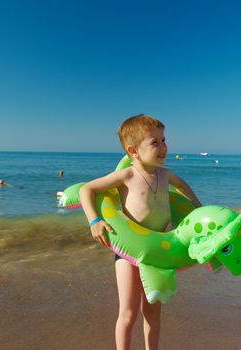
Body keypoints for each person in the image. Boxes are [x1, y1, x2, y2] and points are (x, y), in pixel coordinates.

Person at [79, 114, 202, 350]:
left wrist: (198, 207)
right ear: (133, 151)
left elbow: (182, 184)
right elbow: (88, 189)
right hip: (128, 254)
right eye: (154, 142)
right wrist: (94, 220)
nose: (163, 146)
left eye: (164, 139)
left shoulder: (165, 176)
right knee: (128, 313)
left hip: (159, 253)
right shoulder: (127, 176)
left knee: (153, 313)